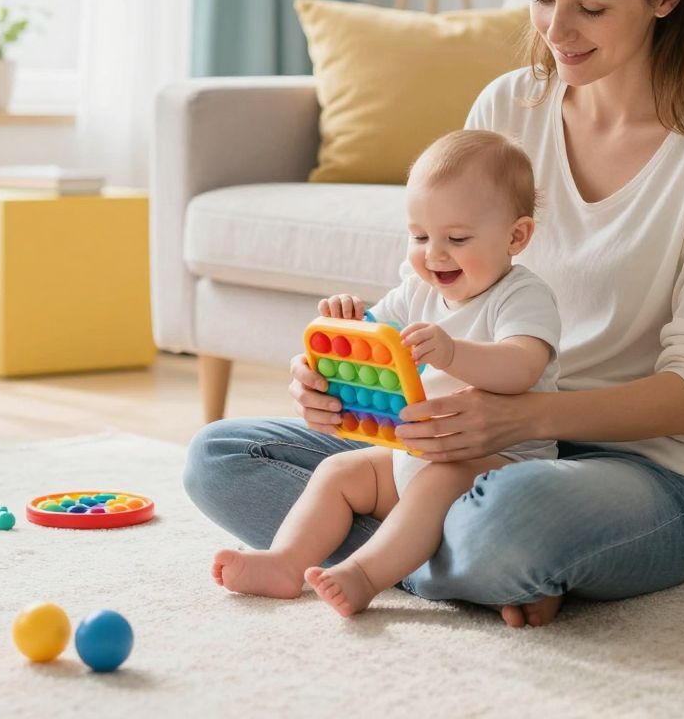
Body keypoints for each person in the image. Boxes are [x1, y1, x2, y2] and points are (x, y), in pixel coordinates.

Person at [184, 0, 684, 628]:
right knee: (221, 458)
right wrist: (352, 389)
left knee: (512, 521)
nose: (556, 32)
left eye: (591, 8)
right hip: (459, 453)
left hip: (639, 472)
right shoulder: (510, 105)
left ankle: (446, 558)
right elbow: (437, 289)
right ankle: (478, 571)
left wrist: (526, 418)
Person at [210, 129, 562, 616]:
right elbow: (373, 348)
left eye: (457, 239)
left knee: (438, 483)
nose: (433, 255)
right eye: (420, 236)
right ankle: (285, 563)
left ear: (516, 236)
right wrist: (347, 327)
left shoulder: (521, 294)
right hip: (413, 453)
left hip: (499, 465)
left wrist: (452, 353)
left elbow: (523, 366)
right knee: (338, 471)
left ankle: (366, 573)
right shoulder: (416, 291)